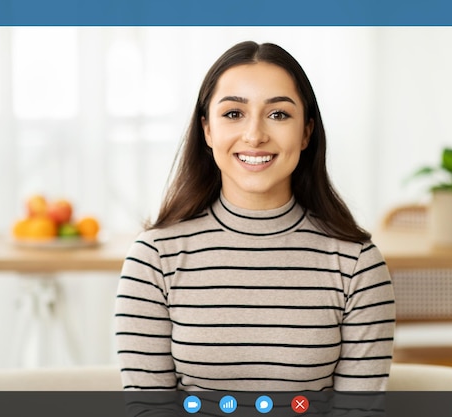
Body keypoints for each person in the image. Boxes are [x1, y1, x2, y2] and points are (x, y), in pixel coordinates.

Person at [114, 41, 395, 394]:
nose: (255, 135)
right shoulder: (154, 257)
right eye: (234, 114)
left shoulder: (357, 264)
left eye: (278, 114)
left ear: (306, 131)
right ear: (207, 130)